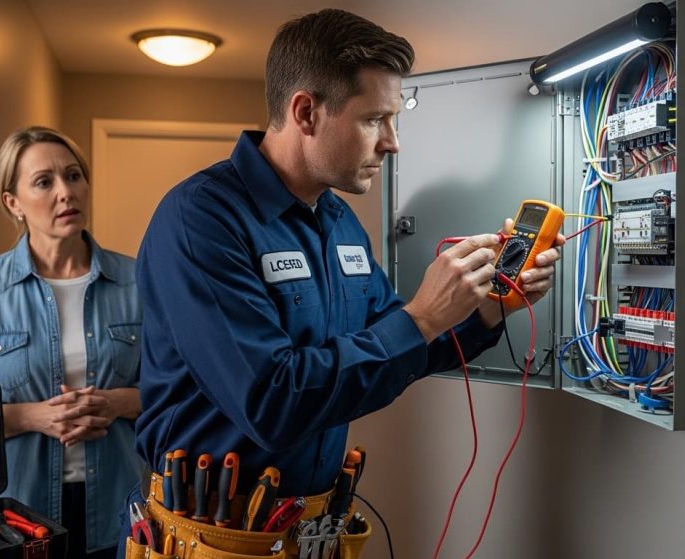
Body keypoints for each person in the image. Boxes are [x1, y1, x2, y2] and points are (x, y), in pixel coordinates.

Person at [126, 9, 563, 558]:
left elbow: (400, 347)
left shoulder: (339, 222)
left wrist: (488, 309)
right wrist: (422, 315)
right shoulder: (200, 220)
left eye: (394, 120)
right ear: (306, 112)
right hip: (213, 537)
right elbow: (271, 402)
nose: (392, 143)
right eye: (373, 120)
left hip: (312, 534)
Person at [0, 126, 143, 559]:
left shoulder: (139, 282)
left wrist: (119, 403)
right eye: (44, 182)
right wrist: (32, 417)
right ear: (13, 203)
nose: (66, 192)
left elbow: (179, 392)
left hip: (122, 510)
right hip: (17, 517)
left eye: (74, 176)